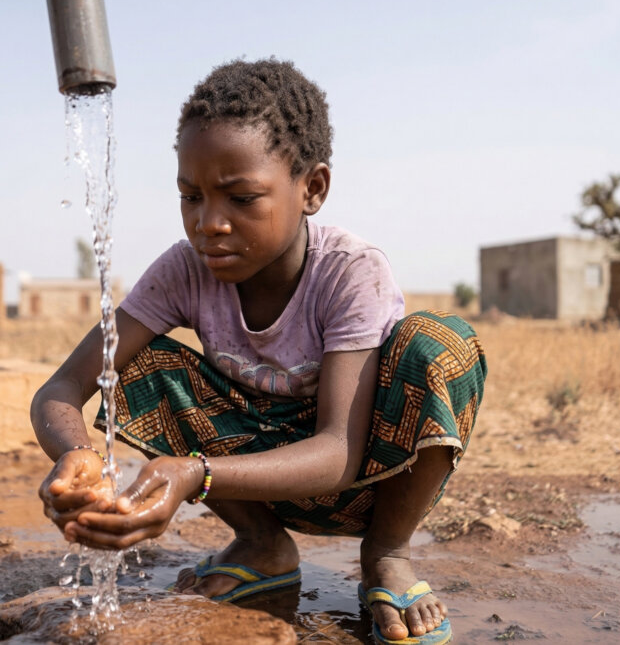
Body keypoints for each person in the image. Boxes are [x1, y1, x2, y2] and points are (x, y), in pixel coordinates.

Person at [32, 58, 486, 645]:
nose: (209, 223)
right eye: (190, 196)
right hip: (249, 480)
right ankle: (262, 545)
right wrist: (77, 456)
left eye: (241, 198)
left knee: (438, 343)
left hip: (365, 478)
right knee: (135, 364)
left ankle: (387, 555)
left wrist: (193, 475)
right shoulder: (183, 272)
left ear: (312, 189)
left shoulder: (350, 274)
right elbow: (62, 388)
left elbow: (337, 453)